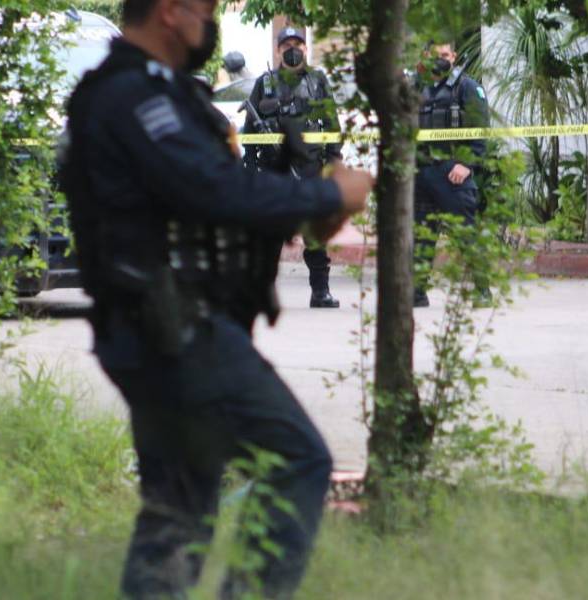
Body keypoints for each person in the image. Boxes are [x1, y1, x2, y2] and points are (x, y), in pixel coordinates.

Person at [61, 1, 372, 597]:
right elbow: (211, 188)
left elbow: (198, 203)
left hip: (162, 327)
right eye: (203, 9)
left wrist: (300, 214)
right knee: (296, 461)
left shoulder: (150, 89)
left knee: (179, 512)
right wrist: (325, 198)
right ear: (170, 12)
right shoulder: (131, 93)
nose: (209, 22)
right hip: (173, 331)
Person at [242, 27, 344, 309]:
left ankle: (320, 292)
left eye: (298, 44)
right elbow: (249, 128)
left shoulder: (317, 81)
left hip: (310, 166)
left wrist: (333, 160)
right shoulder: (265, 83)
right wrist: (250, 163)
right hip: (274, 169)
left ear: (306, 49)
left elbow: (332, 123)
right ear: (278, 50)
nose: (293, 50)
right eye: (287, 45)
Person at [413, 40, 490, 308]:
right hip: (422, 172)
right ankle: (417, 292)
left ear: (454, 56)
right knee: (420, 236)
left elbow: (481, 129)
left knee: (466, 233)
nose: (440, 59)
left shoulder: (466, 87)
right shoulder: (417, 87)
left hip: (453, 172)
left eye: (445, 55)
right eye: (434, 55)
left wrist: (467, 164)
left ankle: (483, 290)